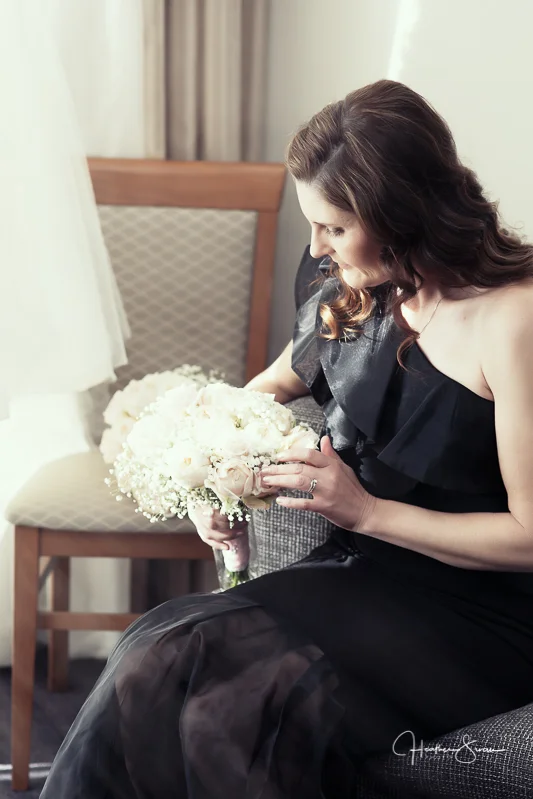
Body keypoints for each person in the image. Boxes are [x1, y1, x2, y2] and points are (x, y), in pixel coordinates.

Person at [40, 79, 533, 798]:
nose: (316, 247)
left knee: (226, 698)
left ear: (400, 211)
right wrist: (218, 477)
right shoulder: (357, 291)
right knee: (161, 647)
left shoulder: (512, 321)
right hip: (363, 578)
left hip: (479, 618)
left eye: (333, 227)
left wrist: (366, 511)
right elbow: (266, 388)